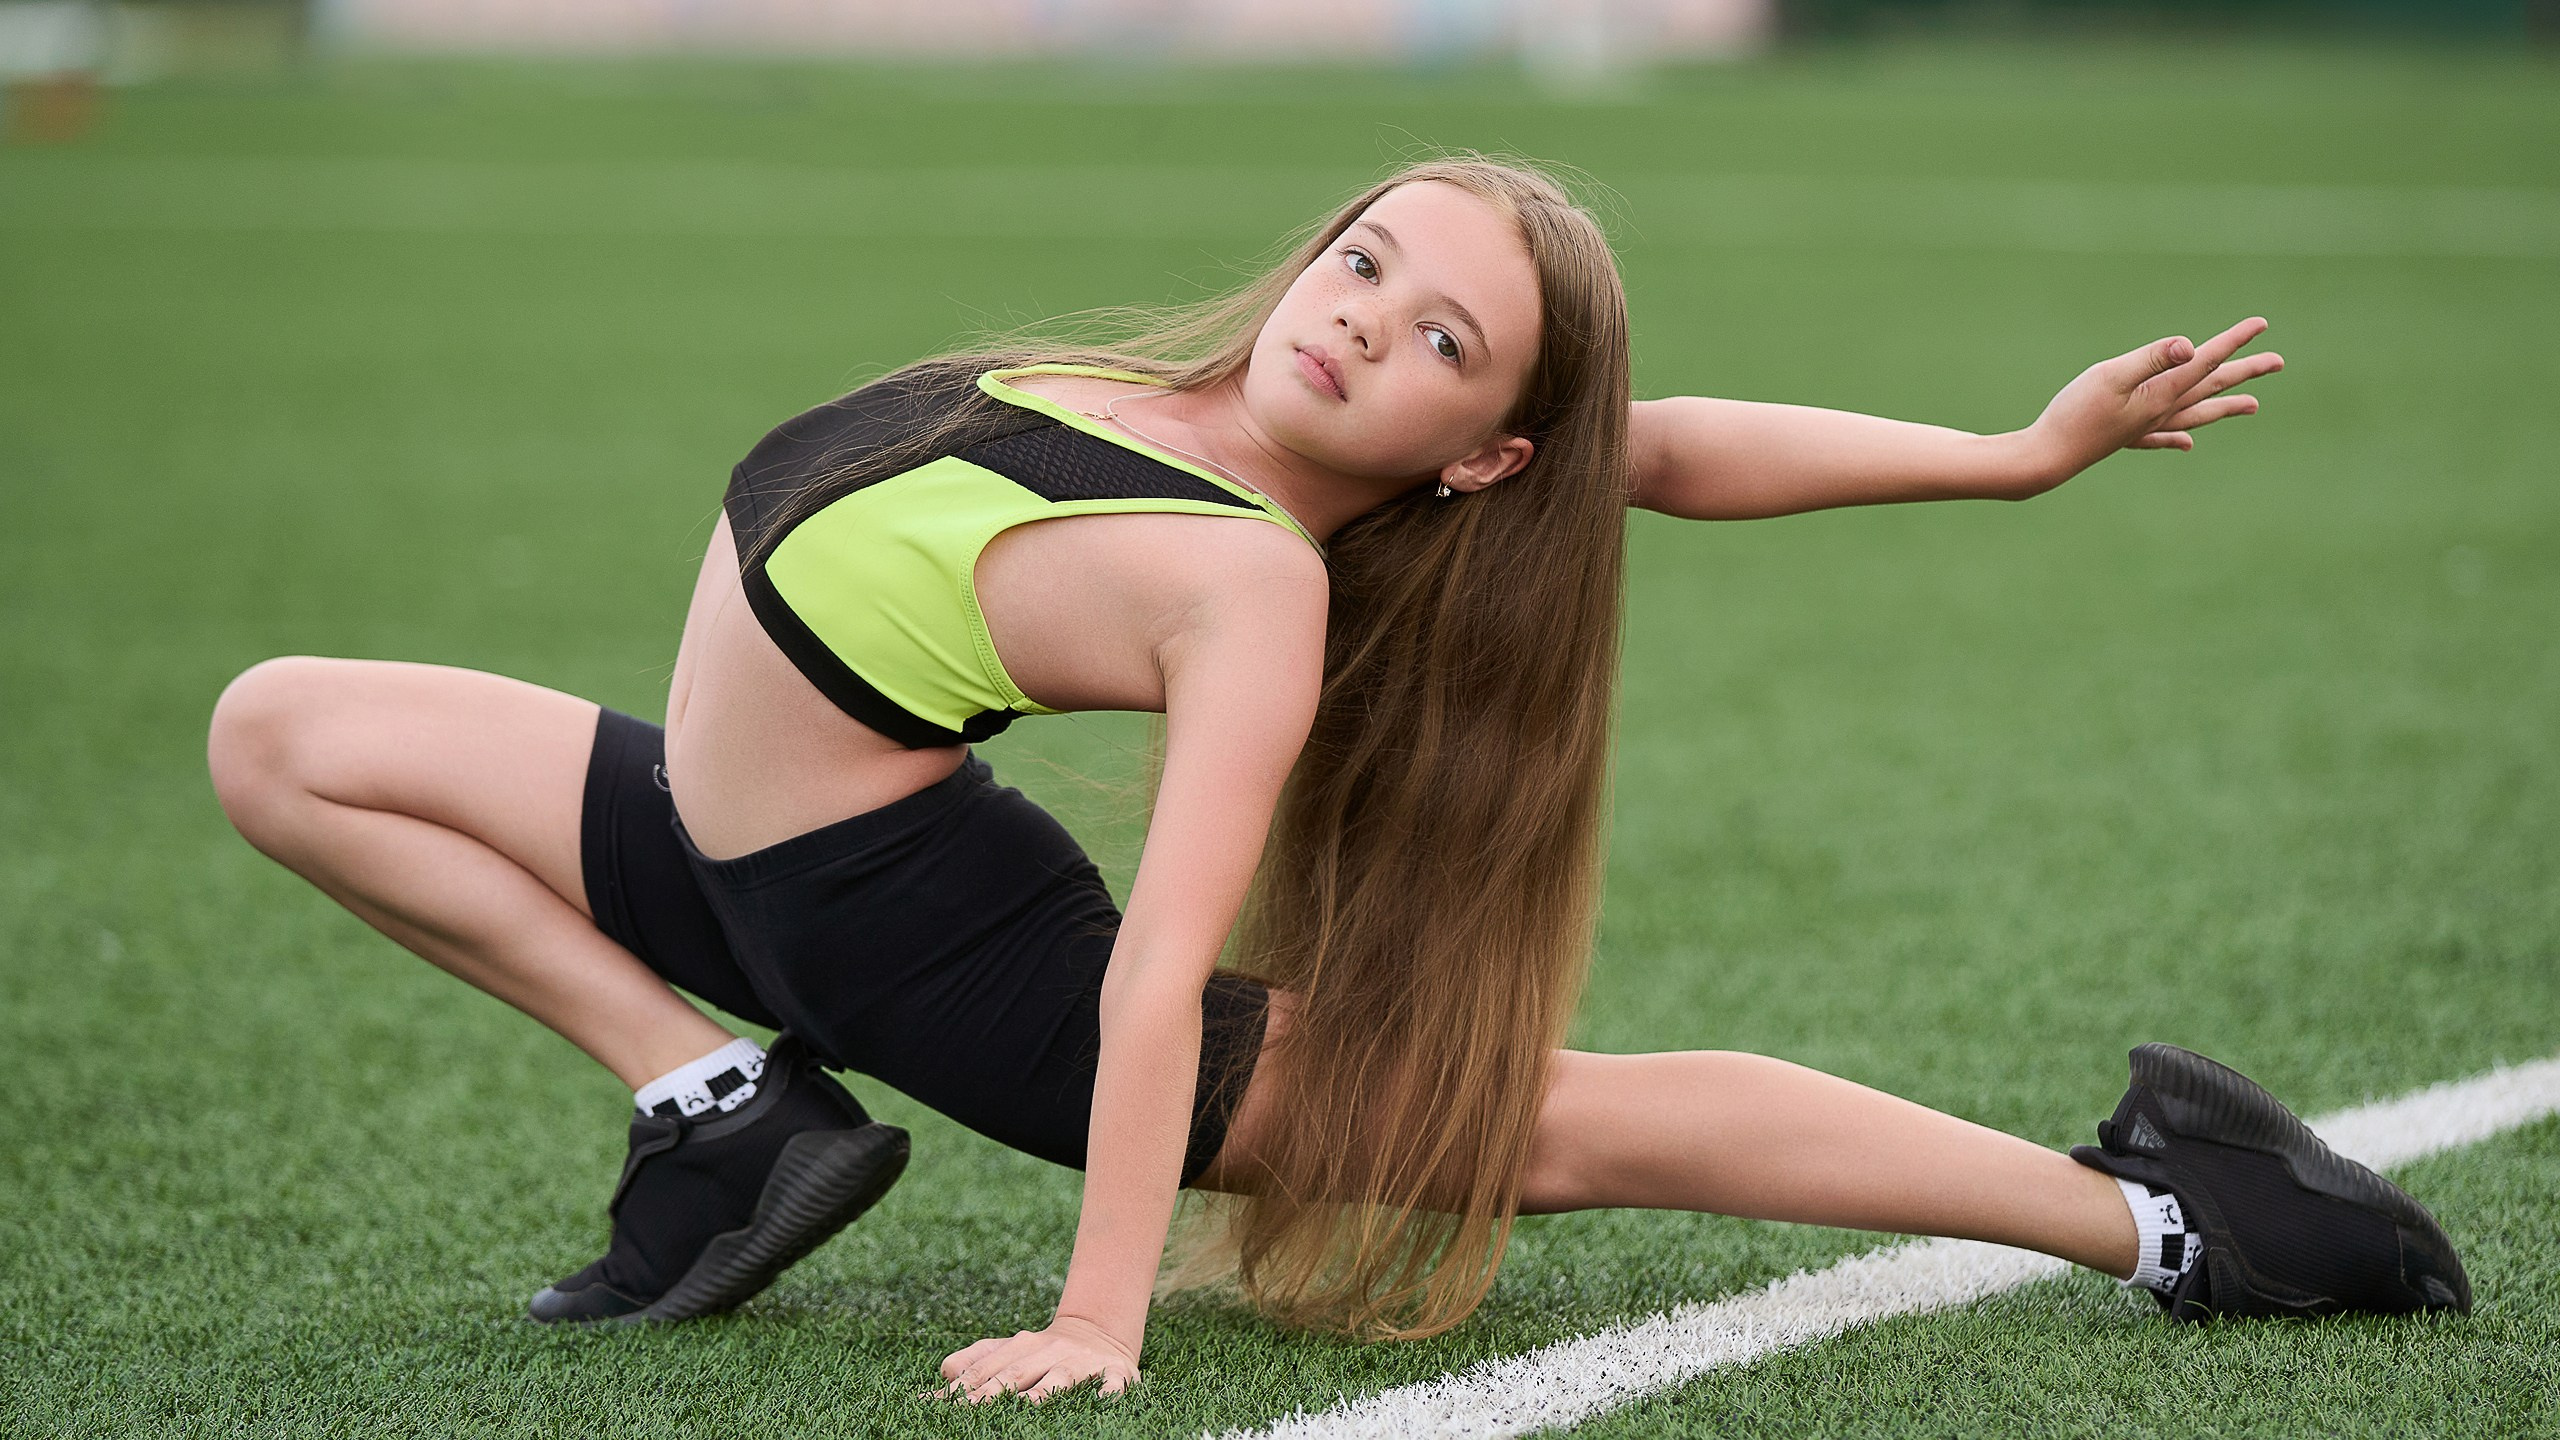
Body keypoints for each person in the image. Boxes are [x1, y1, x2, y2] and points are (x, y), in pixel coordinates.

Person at [204, 155, 2468, 1407]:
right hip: (724, 854)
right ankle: (724, 1115)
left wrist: (1102, 1313)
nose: (1360, 316)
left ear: (1474, 445)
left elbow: (1157, 963)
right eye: (1372, 258)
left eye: (1437, 340)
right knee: (289, 735)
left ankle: (2175, 1214)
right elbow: (1653, 449)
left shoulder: (1249, 589)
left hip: (939, 959)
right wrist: (2001, 456)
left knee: (1561, 1125)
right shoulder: (1156, 388)